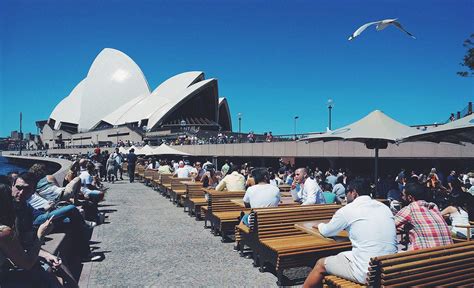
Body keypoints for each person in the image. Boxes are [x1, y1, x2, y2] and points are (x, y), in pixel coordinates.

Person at [303, 178, 397, 287]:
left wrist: (319, 225)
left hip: (367, 272)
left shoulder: (348, 209)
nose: (345, 195)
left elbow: (326, 231)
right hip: (388, 268)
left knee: (320, 264)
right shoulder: (384, 208)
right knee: (342, 255)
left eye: (347, 192)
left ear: (354, 193)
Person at [395, 182, 453, 250]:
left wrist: (404, 226)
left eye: (403, 195)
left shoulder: (411, 208)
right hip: (448, 255)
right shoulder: (433, 207)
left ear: (410, 197)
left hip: (427, 257)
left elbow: (390, 224)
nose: (402, 197)